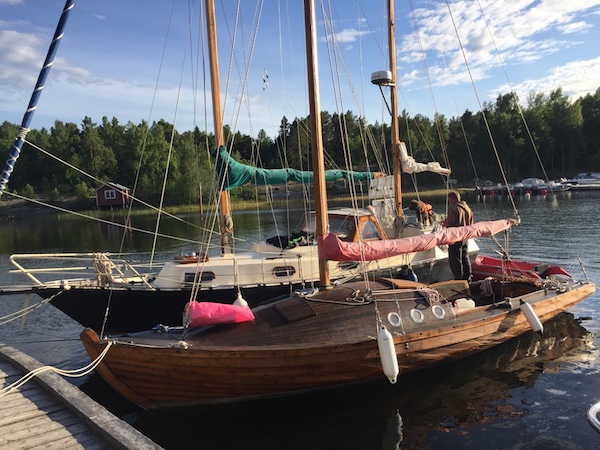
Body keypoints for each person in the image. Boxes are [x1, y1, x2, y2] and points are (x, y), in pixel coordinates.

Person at [442, 191, 474, 280]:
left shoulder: (453, 208)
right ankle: (468, 277)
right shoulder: (467, 208)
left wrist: (445, 224)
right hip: (465, 236)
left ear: (452, 199)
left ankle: (458, 279)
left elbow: (451, 224)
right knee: (465, 257)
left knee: (455, 260)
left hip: (455, 237)